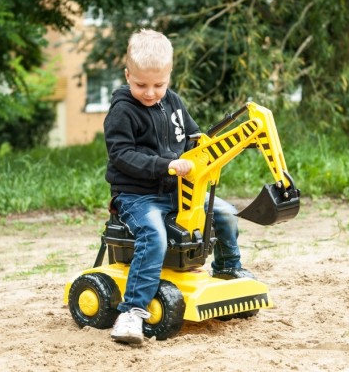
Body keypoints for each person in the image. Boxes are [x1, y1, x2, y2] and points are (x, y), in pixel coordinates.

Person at [103, 29, 254, 345]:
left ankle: (229, 270)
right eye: (141, 84)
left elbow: (193, 136)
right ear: (127, 74)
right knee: (154, 236)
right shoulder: (122, 110)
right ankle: (131, 312)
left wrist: (211, 146)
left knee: (223, 213)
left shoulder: (173, 103)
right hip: (137, 196)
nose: (150, 93)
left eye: (159, 85)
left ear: (169, 76)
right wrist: (166, 164)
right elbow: (122, 154)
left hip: (176, 192)